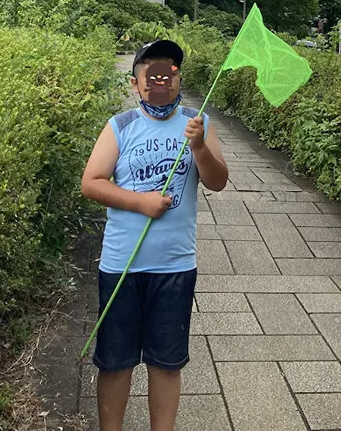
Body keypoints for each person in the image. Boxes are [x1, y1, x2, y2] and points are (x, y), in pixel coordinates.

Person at [81, 39, 228, 431]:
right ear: (135, 84)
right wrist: (139, 202)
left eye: (170, 74)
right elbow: (92, 182)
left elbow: (217, 182)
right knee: (115, 361)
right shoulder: (121, 126)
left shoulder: (198, 123)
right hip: (122, 265)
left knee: (167, 362)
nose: (161, 81)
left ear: (179, 81)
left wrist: (199, 148)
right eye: (152, 74)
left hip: (175, 266)